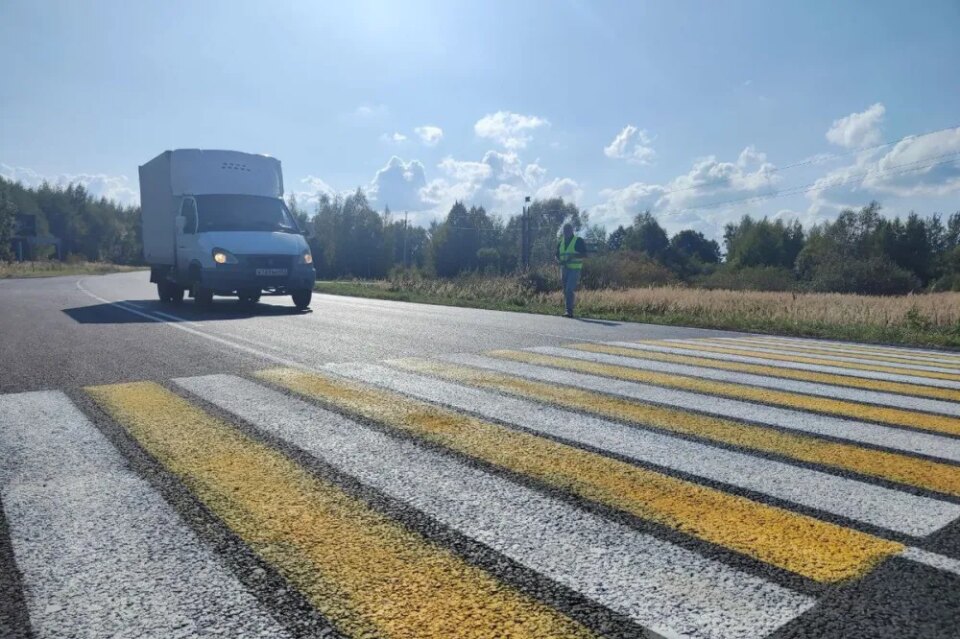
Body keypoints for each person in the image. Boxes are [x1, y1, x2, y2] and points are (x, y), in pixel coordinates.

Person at [556, 223, 587, 318]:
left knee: (569, 289)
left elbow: (584, 255)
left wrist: (573, 256)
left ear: (572, 230)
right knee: (565, 290)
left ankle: (569, 311)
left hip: (574, 269)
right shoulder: (560, 242)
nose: (566, 232)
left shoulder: (578, 241)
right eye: (565, 231)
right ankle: (567, 309)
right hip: (564, 268)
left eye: (568, 230)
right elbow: (556, 255)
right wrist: (558, 261)